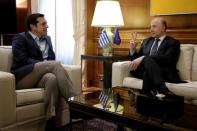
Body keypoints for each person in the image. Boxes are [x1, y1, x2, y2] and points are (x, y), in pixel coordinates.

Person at [11, 13, 76, 130]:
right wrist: (44, 64)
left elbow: (51, 56)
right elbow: (21, 59)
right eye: (43, 24)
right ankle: (75, 102)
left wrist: (47, 65)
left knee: (52, 79)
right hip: (24, 77)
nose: (47, 26)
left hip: (43, 75)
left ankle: (50, 121)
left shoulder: (48, 38)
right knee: (55, 64)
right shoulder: (20, 37)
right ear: (33, 26)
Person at [129, 17, 182, 97]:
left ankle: (146, 102)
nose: (151, 30)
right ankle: (161, 87)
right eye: (150, 27)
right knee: (145, 63)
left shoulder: (173, 42)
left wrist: (144, 57)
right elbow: (136, 62)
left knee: (146, 73)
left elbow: (168, 59)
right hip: (143, 70)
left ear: (163, 28)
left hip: (162, 72)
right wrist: (132, 50)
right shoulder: (146, 41)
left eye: (154, 26)